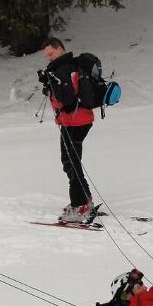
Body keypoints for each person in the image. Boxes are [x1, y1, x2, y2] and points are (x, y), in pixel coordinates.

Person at [38, 37, 95, 223]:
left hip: (74, 122)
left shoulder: (63, 69)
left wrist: (51, 82)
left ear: (60, 49)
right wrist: (48, 86)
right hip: (76, 120)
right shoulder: (67, 66)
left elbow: (68, 100)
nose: (49, 58)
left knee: (71, 163)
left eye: (51, 54)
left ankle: (81, 205)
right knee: (70, 162)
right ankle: (84, 200)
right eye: (47, 56)